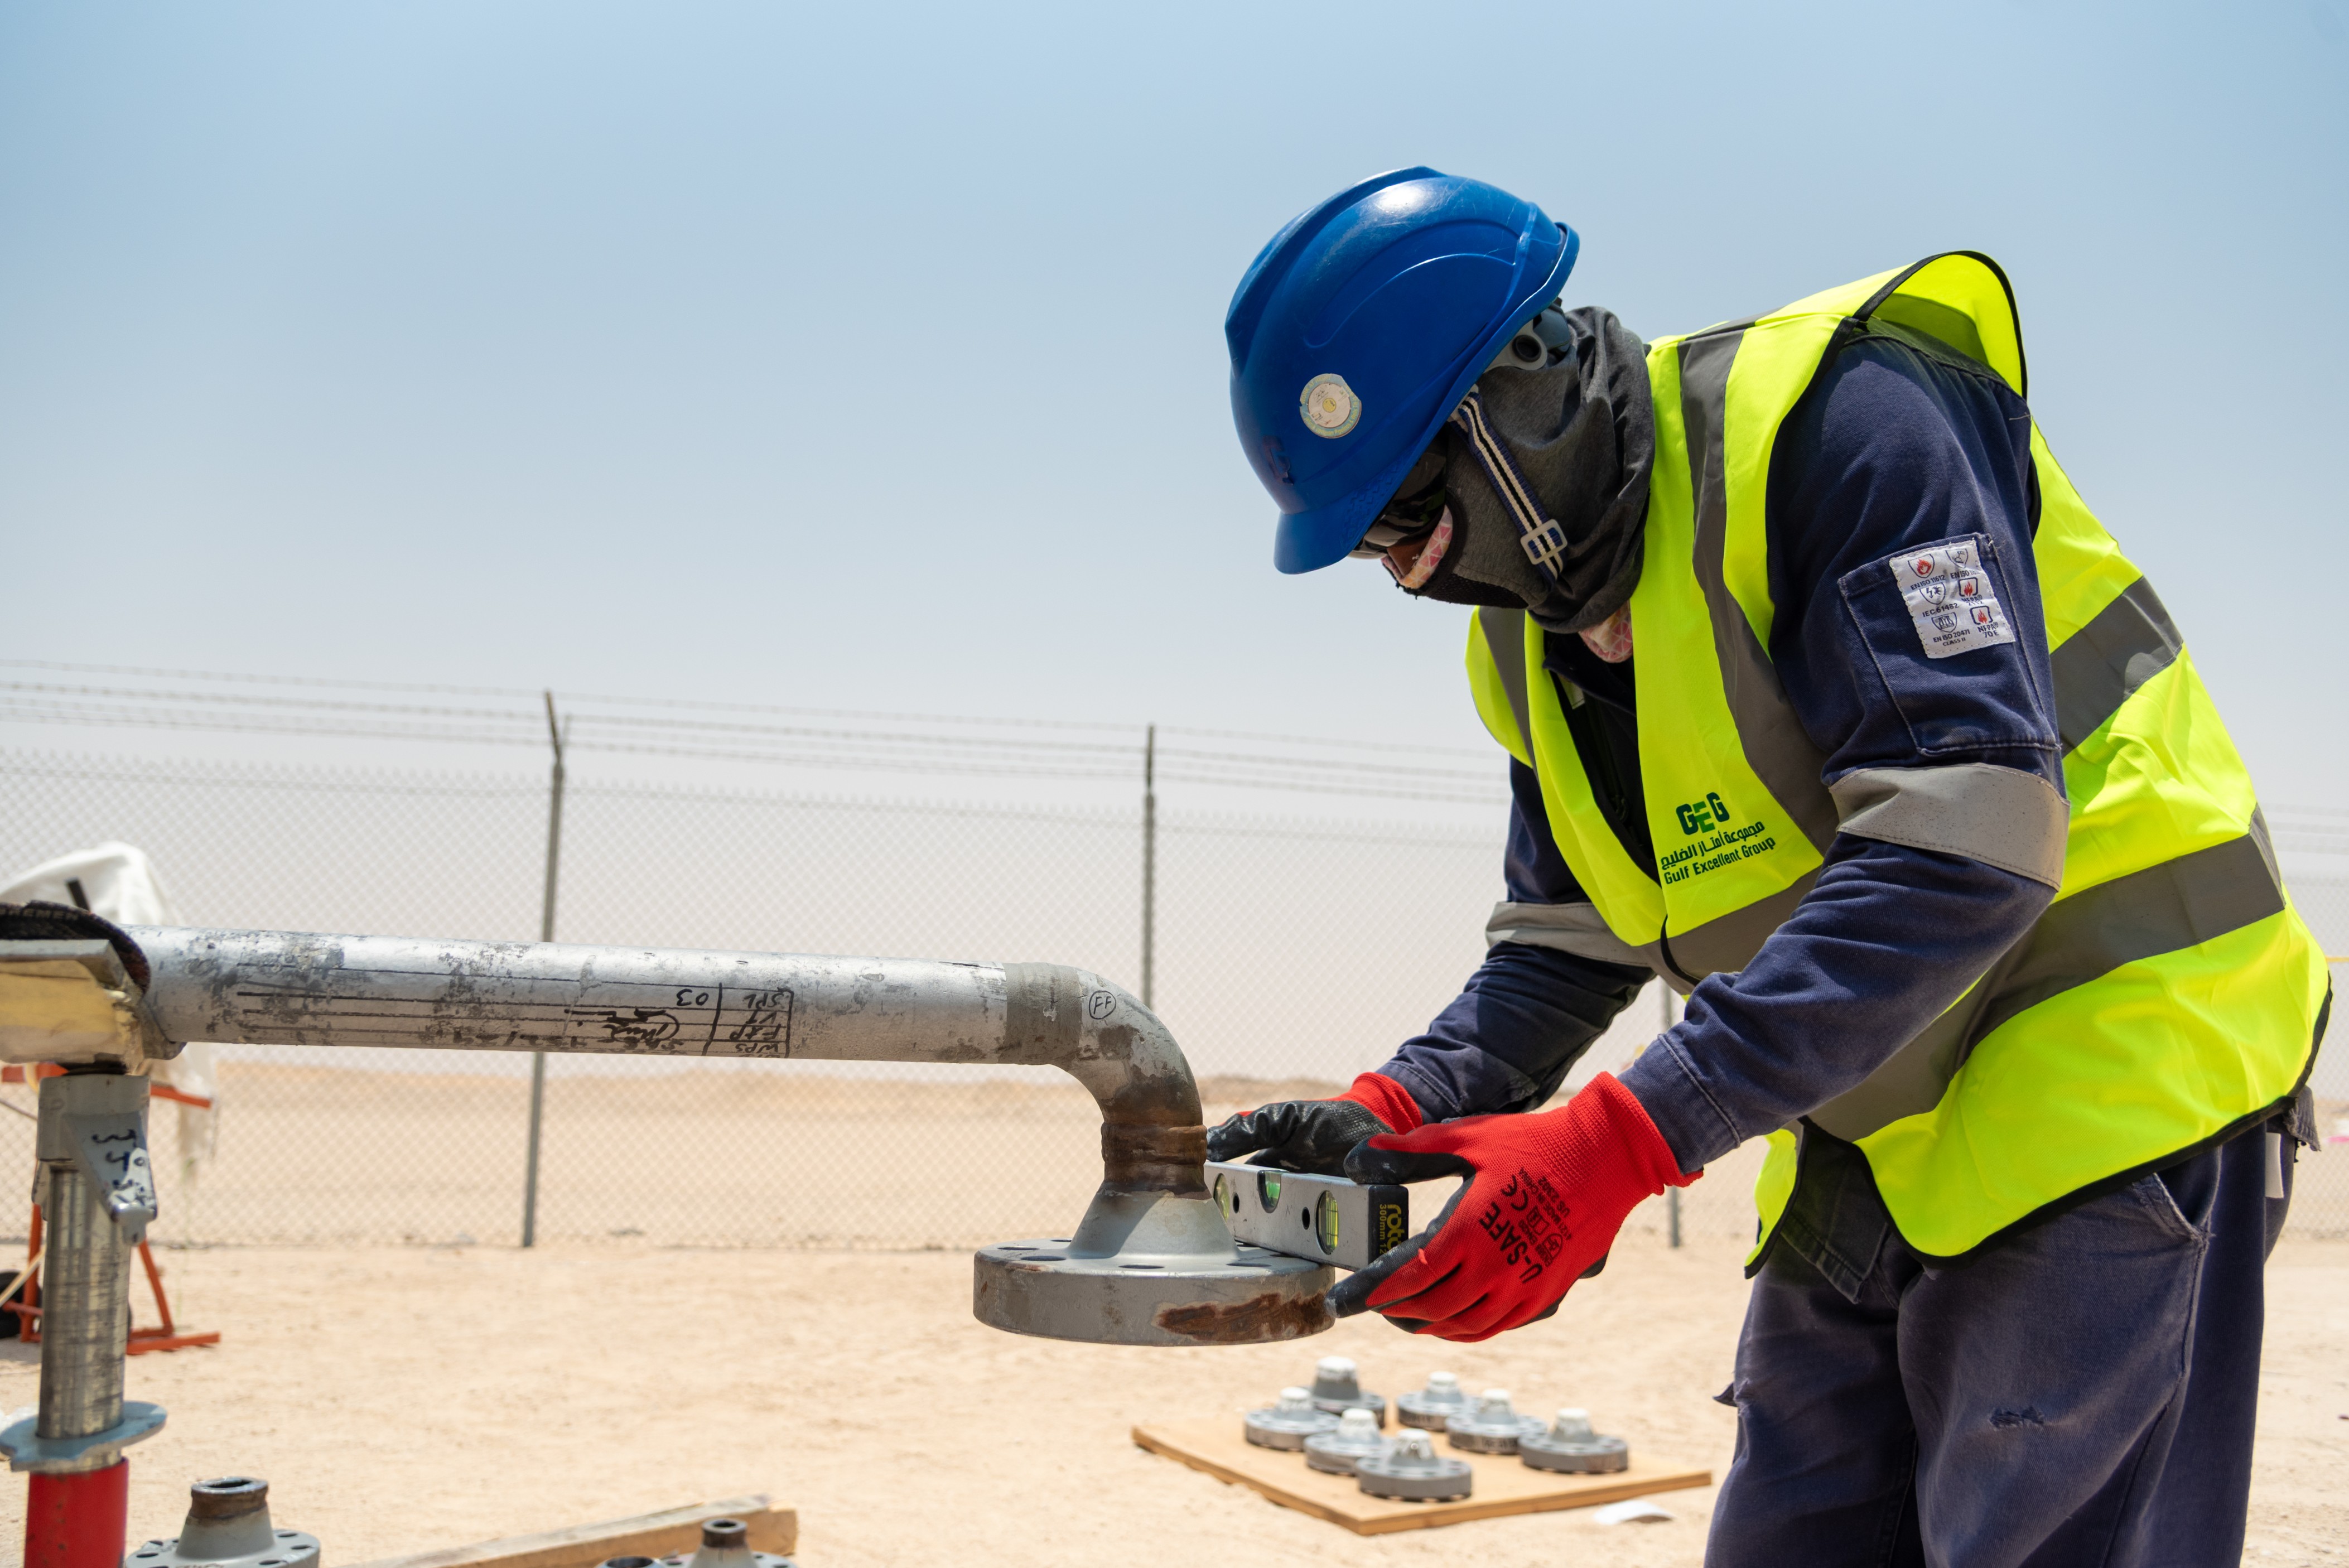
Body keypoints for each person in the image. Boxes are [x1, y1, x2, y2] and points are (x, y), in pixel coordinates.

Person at [1207, 167, 2328, 1565]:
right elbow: (1567, 940)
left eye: (1405, 515)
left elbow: (1965, 844)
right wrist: (1396, 1109)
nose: (1408, 574)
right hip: (1874, 1120)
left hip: (2120, 1075)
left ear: (1520, 390)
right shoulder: (1529, 640)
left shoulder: (1843, 425)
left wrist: (1623, 1140)